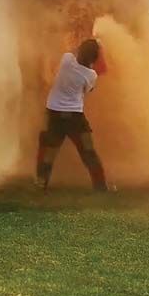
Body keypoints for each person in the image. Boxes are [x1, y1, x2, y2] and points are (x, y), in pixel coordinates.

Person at [35, 38, 111, 191]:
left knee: (50, 152)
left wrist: (90, 43)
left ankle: (41, 183)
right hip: (75, 117)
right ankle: (101, 187)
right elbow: (88, 90)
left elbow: (75, 50)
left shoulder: (67, 60)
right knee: (88, 152)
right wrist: (98, 44)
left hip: (54, 114)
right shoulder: (91, 75)